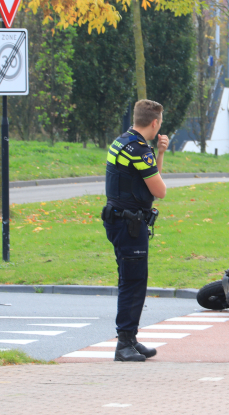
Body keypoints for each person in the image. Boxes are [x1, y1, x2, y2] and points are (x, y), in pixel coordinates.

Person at [101, 99, 169, 362]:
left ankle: (130, 338)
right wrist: (154, 154)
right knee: (133, 283)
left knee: (131, 280)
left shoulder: (123, 141)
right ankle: (124, 343)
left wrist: (159, 154)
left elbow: (148, 181)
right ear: (155, 122)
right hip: (129, 224)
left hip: (119, 219)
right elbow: (159, 190)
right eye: (160, 122)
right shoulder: (139, 150)